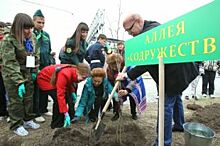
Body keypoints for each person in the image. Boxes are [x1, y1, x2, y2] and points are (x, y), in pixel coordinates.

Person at [117, 14, 199, 146]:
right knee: (176, 97)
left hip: (174, 75)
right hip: (179, 72)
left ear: (138, 22)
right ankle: (179, 124)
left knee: (165, 106)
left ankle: (163, 142)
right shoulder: (151, 29)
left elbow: (147, 63)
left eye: (129, 29)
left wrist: (127, 75)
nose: (129, 33)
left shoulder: (150, 34)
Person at [1, 13, 40, 136]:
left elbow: (35, 55)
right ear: (18, 27)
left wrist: (34, 71)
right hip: (13, 75)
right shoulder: (8, 40)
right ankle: (16, 124)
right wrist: (19, 81)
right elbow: (10, 63)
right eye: (26, 28)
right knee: (15, 101)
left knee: (29, 98)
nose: (29, 31)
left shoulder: (32, 37)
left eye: (30, 28)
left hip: (28, 72)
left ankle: (28, 119)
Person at [37, 63, 90, 128]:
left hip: (53, 79)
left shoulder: (73, 72)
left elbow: (69, 82)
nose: (83, 80)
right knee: (58, 100)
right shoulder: (65, 74)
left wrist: (72, 92)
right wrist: (65, 113)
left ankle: (63, 119)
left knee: (65, 98)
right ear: (78, 72)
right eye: (83, 77)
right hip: (45, 79)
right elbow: (60, 95)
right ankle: (56, 124)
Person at [106, 53, 146, 121]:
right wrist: (114, 92)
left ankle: (133, 113)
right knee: (116, 96)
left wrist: (127, 90)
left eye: (115, 65)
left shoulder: (129, 67)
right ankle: (117, 113)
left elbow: (134, 80)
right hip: (118, 85)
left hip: (131, 83)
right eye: (112, 65)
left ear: (120, 63)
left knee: (132, 96)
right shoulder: (109, 69)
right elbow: (110, 80)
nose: (114, 68)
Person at [33, 9, 56, 122]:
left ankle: (44, 109)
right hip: (35, 65)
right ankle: (36, 113)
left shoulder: (46, 35)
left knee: (45, 88)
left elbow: (48, 49)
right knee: (35, 90)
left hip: (45, 65)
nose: (41, 25)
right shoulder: (31, 34)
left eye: (43, 23)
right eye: (39, 22)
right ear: (33, 21)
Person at [0, 21, 9, 121]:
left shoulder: (6, 40)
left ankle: (9, 112)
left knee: (8, 93)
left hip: (6, 71)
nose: (1, 31)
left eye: (2, 29)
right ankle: (2, 112)